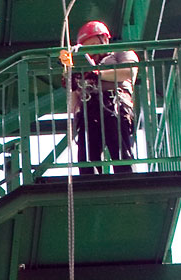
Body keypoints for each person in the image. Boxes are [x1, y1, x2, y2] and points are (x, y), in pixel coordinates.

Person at [70, 20, 139, 175]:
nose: (93, 51)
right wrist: (72, 82)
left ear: (105, 40)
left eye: (95, 45)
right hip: (89, 108)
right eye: (87, 48)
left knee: (119, 149)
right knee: (87, 157)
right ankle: (90, 182)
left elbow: (128, 72)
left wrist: (97, 74)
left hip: (115, 104)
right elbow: (73, 103)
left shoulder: (120, 53)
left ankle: (126, 179)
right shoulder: (84, 67)